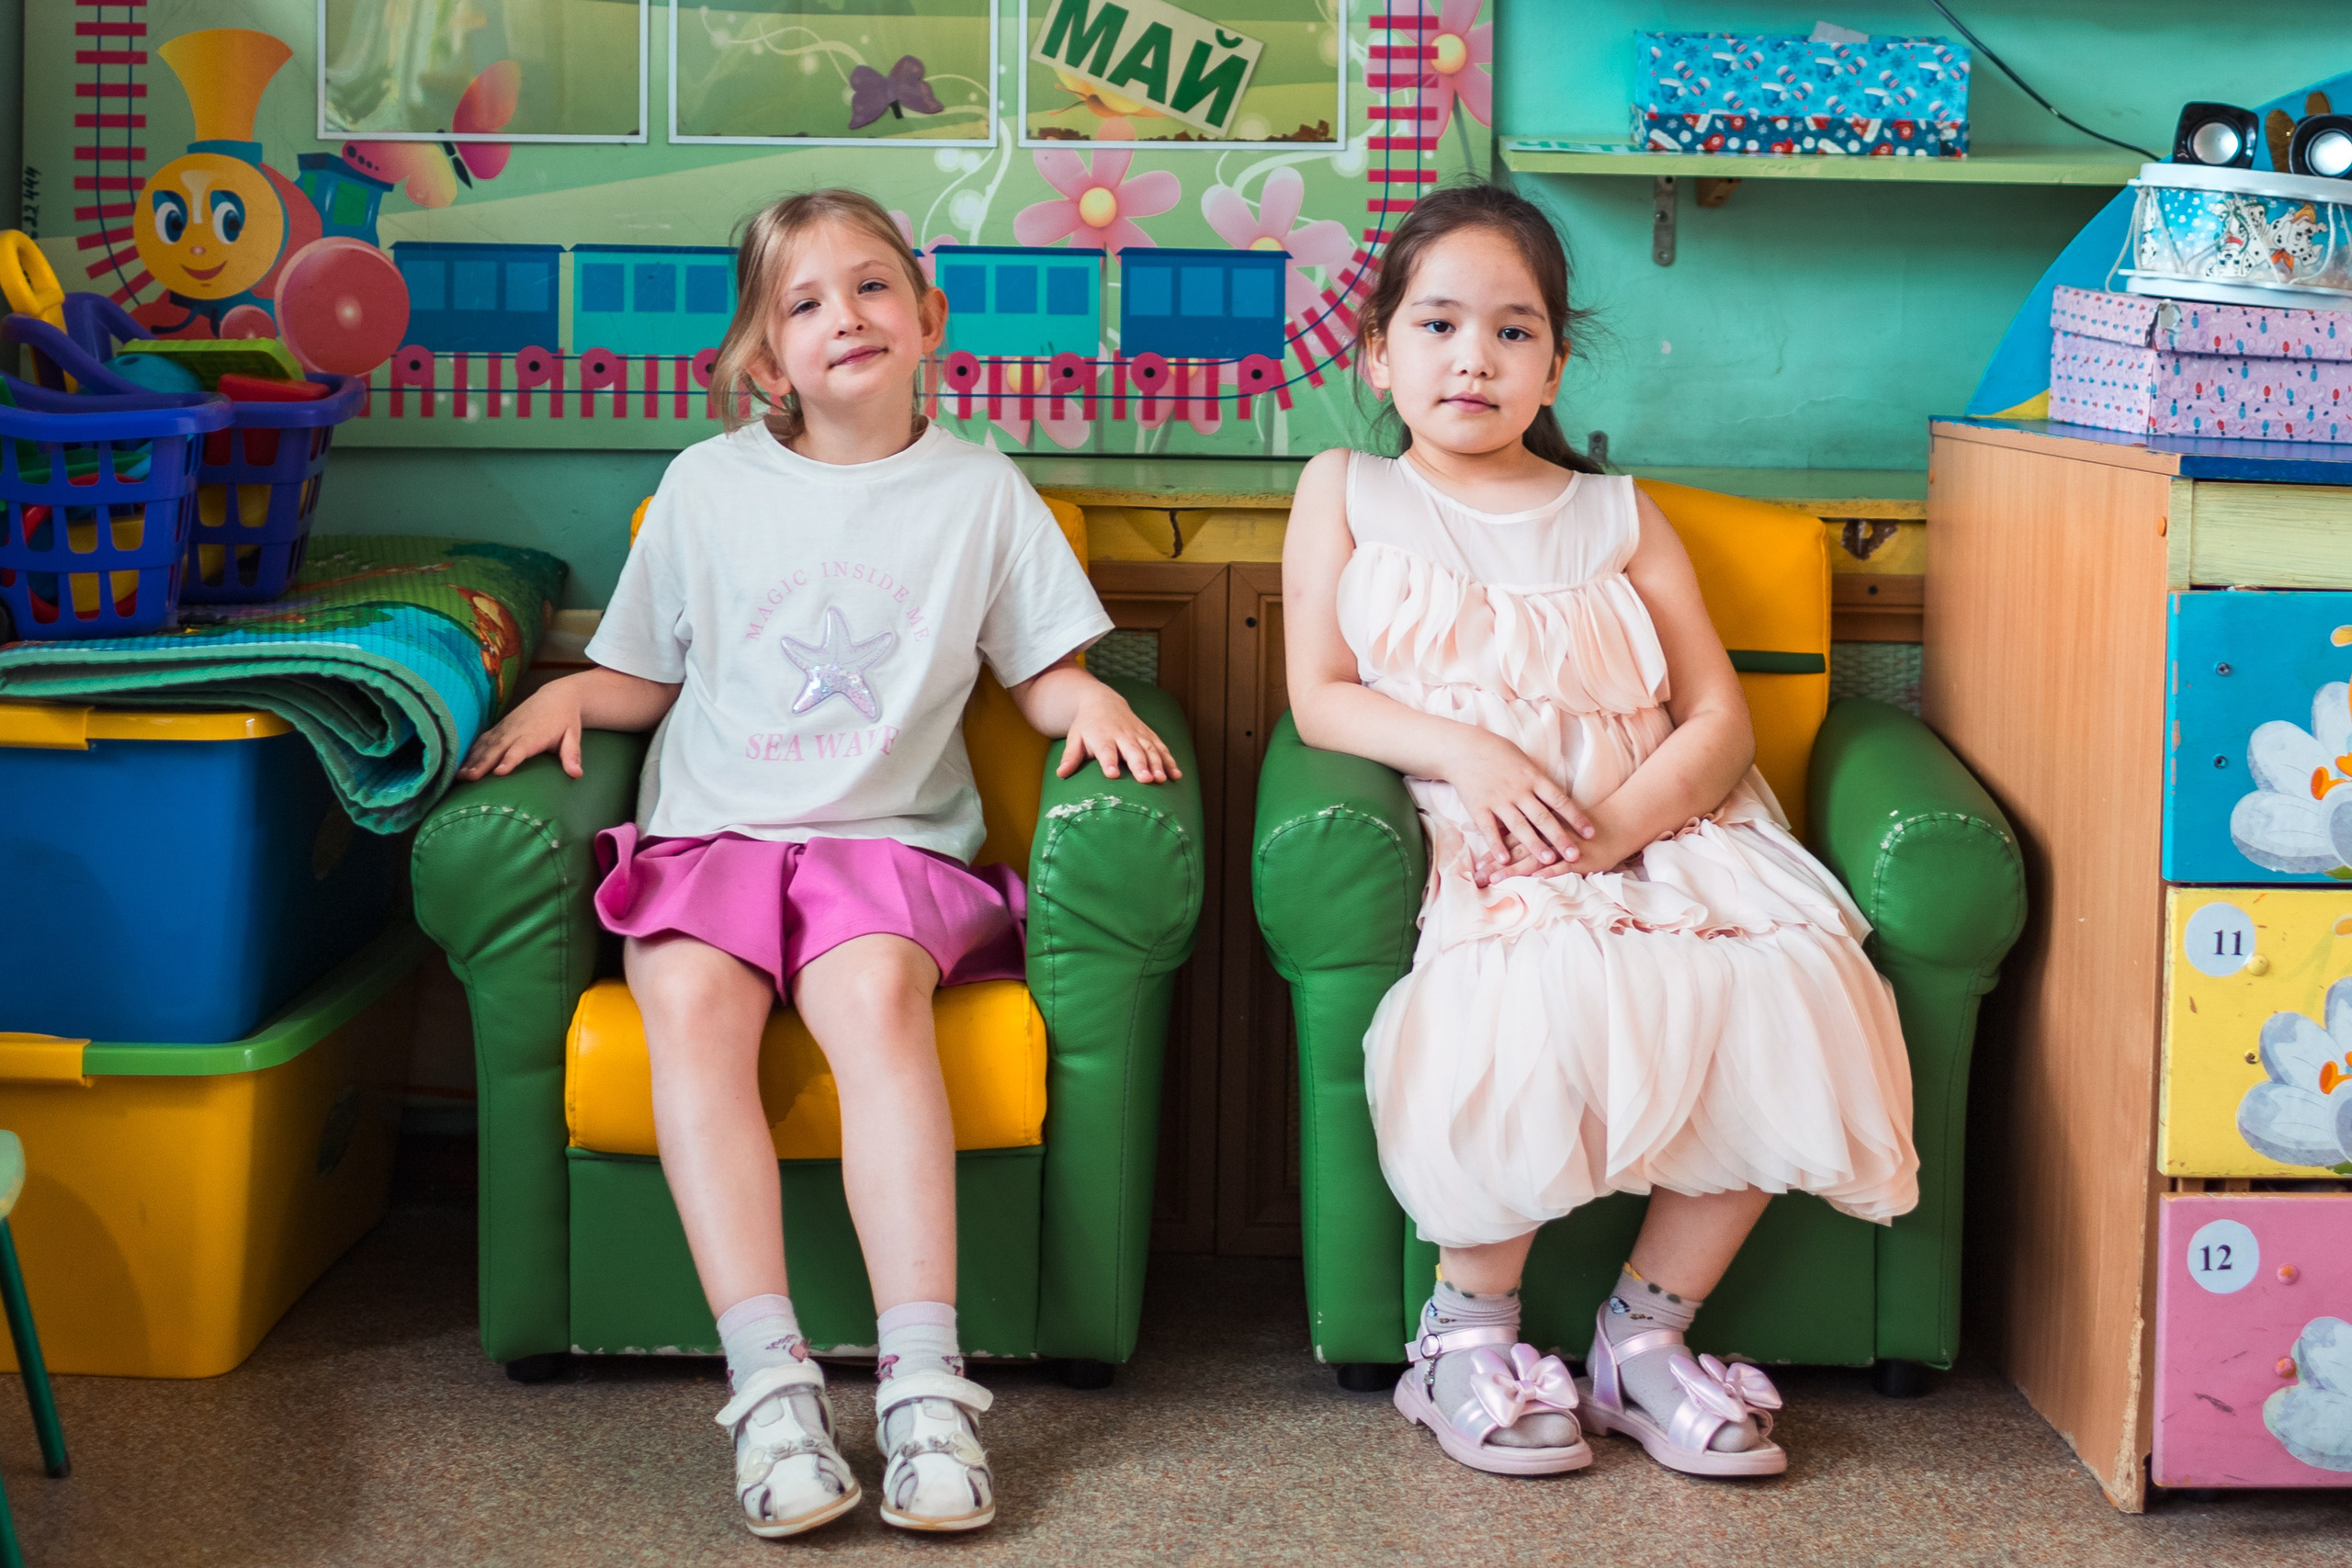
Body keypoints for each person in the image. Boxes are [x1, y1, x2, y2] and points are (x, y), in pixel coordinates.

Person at [459, 187, 1179, 1537]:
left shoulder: (980, 490)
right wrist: (570, 696)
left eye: (869, 287)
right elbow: (637, 672)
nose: (842, 316)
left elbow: (1040, 670)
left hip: (883, 849)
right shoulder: (706, 484)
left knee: (870, 1001)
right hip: (712, 840)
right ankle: (772, 1387)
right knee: (686, 1006)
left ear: (928, 318)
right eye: (803, 303)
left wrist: (1087, 703)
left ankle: (921, 1383)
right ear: (760, 355)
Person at [1281, 184, 1917, 1480]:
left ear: (1555, 363)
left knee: (1795, 986)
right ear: (1378, 353)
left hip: (1659, 823)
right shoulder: (1346, 489)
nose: (1475, 358)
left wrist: (1621, 826)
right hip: (1494, 835)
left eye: (1515, 332)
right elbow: (1320, 694)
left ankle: (1644, 1339)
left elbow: (1718, 716)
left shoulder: (1618, 513)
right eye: (1440, 324)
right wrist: (1472, 750)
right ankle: (1464, 1336)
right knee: (1531, 995)